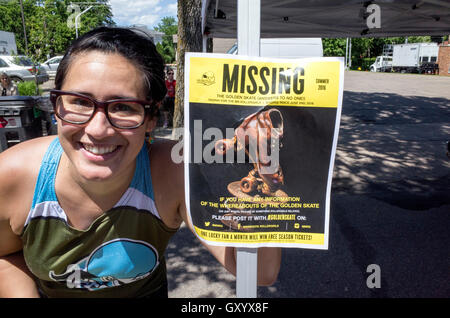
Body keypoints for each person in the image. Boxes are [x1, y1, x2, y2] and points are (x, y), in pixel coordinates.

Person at [0, 27, 281, 298]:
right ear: (56, 107)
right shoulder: (13, 177)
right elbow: (4, 253)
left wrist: (267, 168)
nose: (98, 129)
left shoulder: (175, 173)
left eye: (123, 107)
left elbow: (259, 272)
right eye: (80, 102)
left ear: (151, 119)